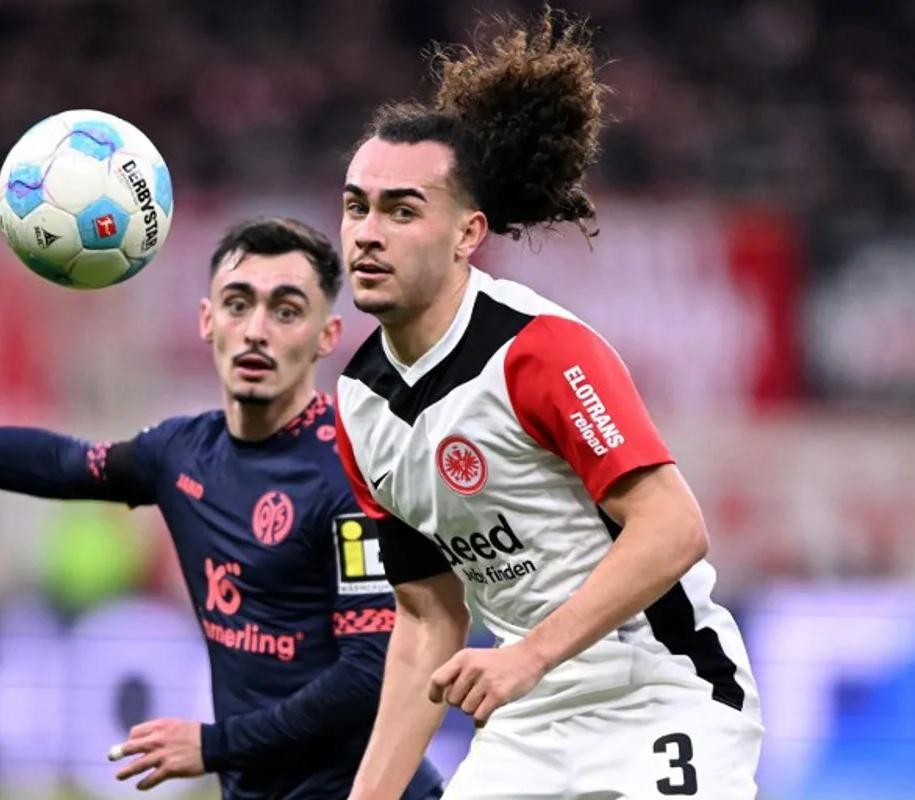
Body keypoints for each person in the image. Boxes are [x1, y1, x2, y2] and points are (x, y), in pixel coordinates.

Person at [0, 217, 445, 800]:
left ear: (326, 334)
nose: (255, 330)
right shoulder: (181, 454)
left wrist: (212, 744)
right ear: (206, 321)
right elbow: (54, 462)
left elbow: (370, 675)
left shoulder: (352, 470)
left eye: (286, 310)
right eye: (238, 304)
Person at [332, 8, 763, 800]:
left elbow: (673, 527)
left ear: (468, 234)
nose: (367, 233)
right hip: (526, 725)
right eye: (357, 206)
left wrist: (527, 655)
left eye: (401, 211)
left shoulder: (537, 351)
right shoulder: (359, 405)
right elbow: (429, 621)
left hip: (660, 695)